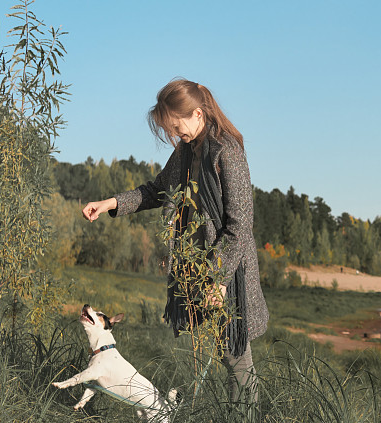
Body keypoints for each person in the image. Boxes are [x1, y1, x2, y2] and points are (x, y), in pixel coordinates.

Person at [81, 78, 268, 403]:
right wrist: (110, 203)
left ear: (198, 113)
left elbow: (240, 224)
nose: (172, 135)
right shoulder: (186, 151)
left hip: (226, 272)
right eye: (168, 128)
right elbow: (158, 190)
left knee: (236, 355)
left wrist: (219, 280)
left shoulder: (227, 151)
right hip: (197, 268)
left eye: (175, 125)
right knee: (226, 354)